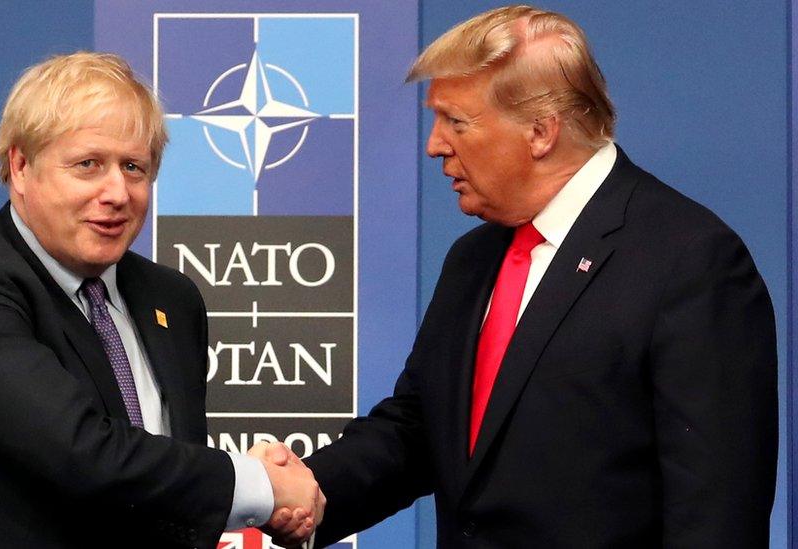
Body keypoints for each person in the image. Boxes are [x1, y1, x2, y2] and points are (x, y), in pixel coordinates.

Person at [261, 5, 778, 547]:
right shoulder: (473, 259)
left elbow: (717, 515)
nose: (435, 144)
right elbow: (419, 428)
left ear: (539, 132)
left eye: (456, 121)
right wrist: (309, 490)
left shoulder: (690, 260)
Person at [0, 52, 321, 549]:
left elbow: (163, 486)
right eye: (88, 165)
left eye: (134, 167)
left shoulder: (172, 299)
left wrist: (274, 504)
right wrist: (260, 487)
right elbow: (81, 454)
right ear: (21, 166)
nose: (117, 192)